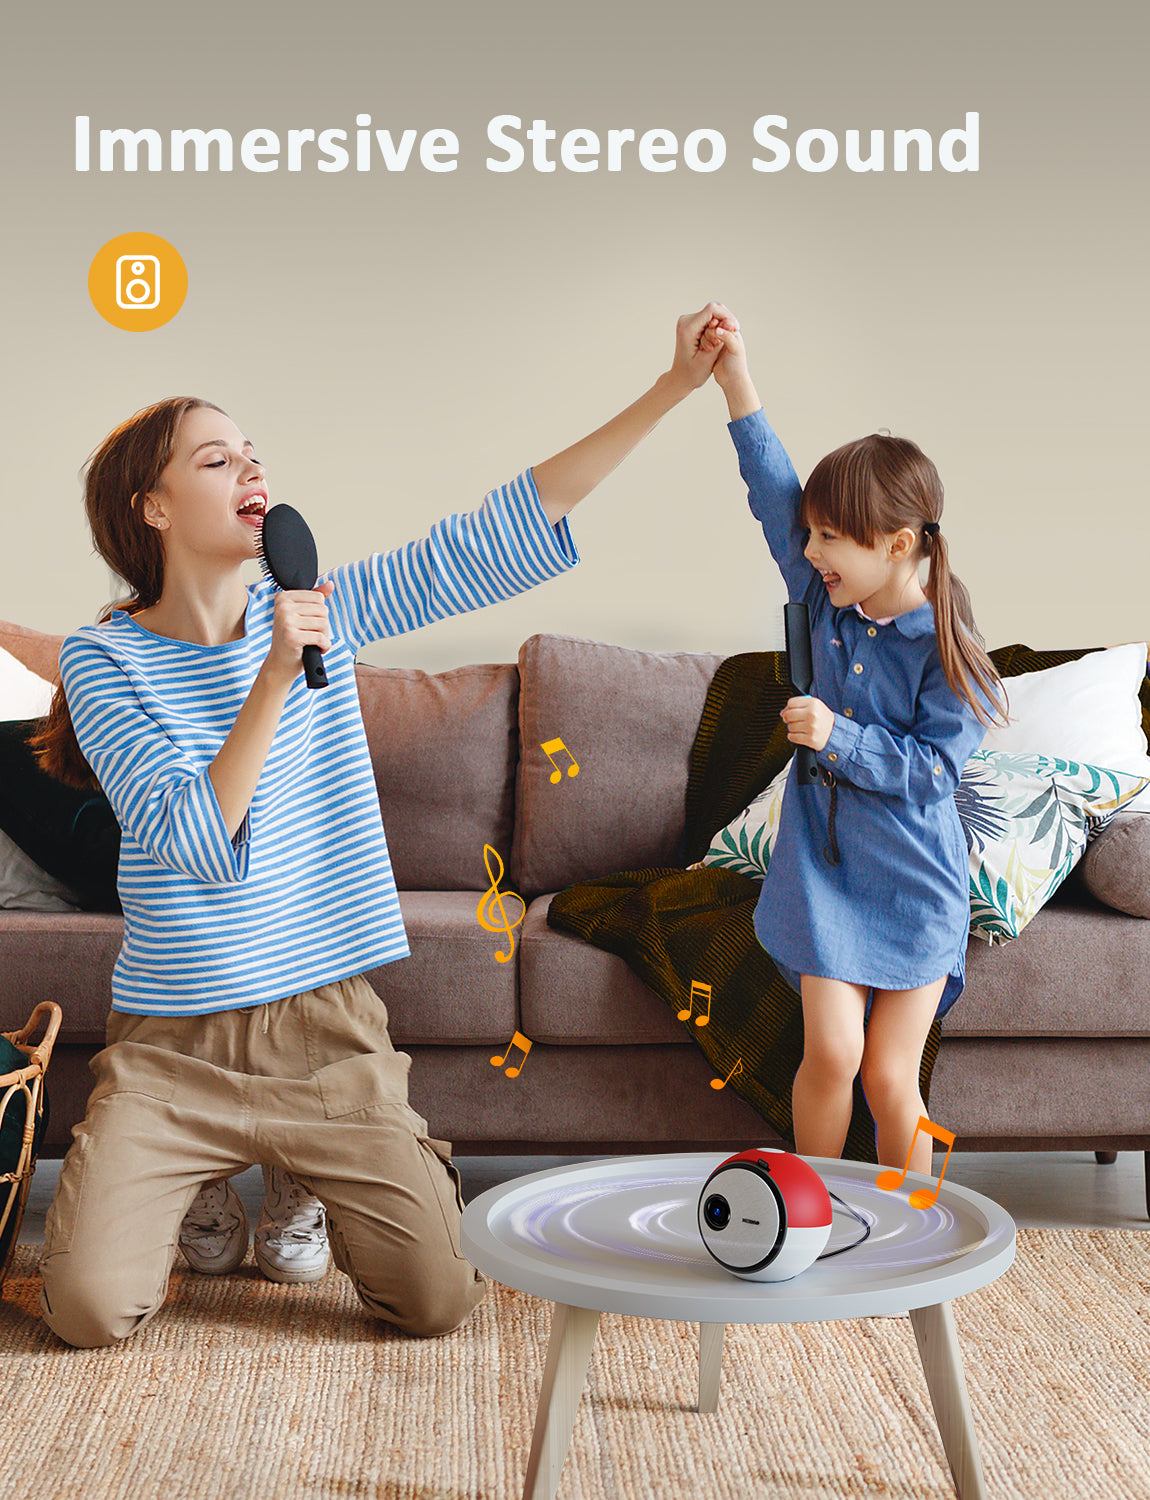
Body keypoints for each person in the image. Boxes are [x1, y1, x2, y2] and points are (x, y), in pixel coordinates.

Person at [34, 306, 728, 1348]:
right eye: (216, 458)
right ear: (154, 508)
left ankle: (309, 1171)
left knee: (436, 1303)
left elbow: (492, 537)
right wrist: (272, 678)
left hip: (326, 1029)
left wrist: (672, 388)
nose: (249, 470)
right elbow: (189, 835)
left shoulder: (323, 603)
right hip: (175, 1044)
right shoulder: (106, 662)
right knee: (83, 1312)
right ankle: (206, 1181)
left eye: (253, 453)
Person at [708, 310, 1004, 1175]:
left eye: (830, 537)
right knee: (831, 1054)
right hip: (824, 872)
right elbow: (773, 489)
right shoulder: (824, 595)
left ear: (898, 544)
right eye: (813, 534)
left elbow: (931, 774)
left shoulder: (951, 654)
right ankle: (816, 1211)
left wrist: (837, 735)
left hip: (915, 883)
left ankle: (916, 1232)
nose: (811, 550)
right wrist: (735, 378)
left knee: (887, 1076)